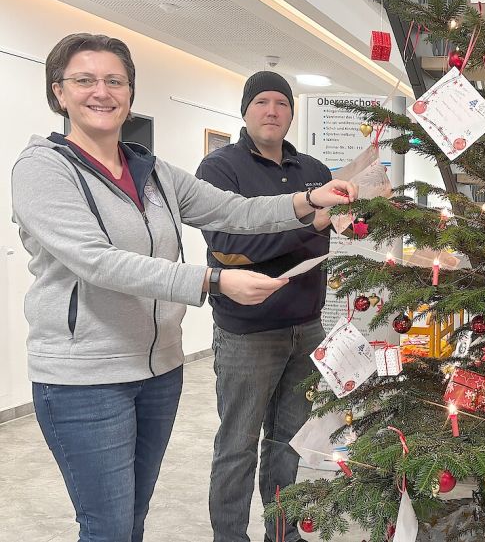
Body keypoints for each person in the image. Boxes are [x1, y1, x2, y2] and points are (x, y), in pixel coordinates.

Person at [9, 33, 356, 542]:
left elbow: (233, 211)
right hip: (84, 378)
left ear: (130, 92)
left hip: (158, 370)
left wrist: (306, 199)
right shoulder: (43, 168)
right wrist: (212, 280)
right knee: (107, 526)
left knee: (132, 518)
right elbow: (99, 262)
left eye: (115, 80)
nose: (101, 91)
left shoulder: (153, 173)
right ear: (58, 92)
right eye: (84, 80)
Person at [197, 71, 334, 542]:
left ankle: (284, 534)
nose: (271, 110)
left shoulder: (314, 170)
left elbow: (325, 234)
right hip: (246, 333)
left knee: (289, 444)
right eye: (261, 101)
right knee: (237, 446)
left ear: (292, 113)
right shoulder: (220, 169)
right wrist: (306, 223)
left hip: (307, 328)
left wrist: (326, 223)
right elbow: (230, 244)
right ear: (245, 110)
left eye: (281, 102)